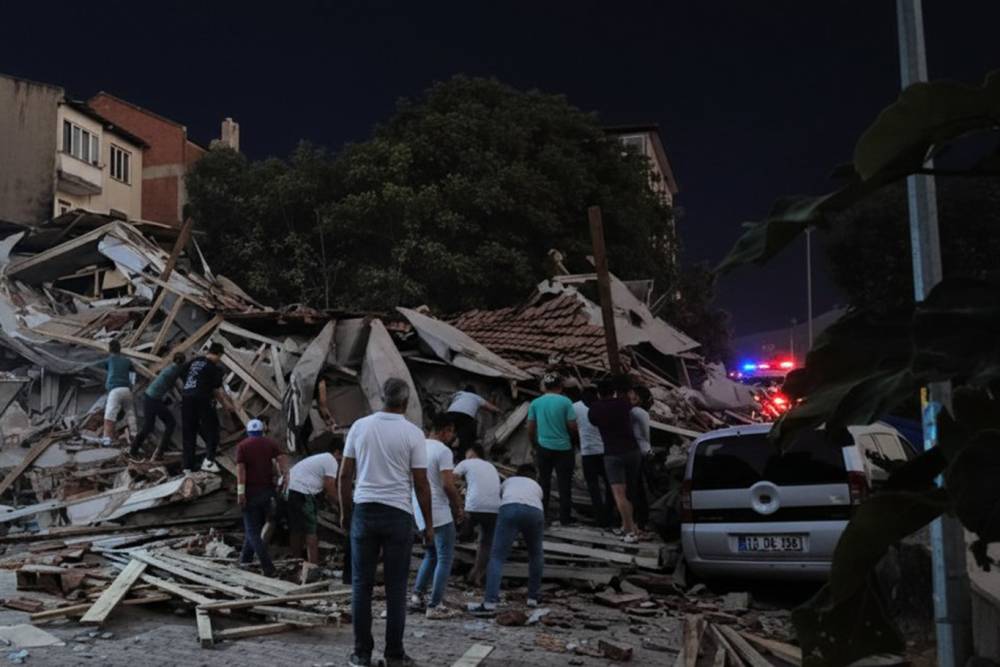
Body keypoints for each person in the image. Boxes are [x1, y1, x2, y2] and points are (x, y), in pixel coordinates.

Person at [339, 378, 432, 667]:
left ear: (381, 398)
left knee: (361, 586)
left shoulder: (360, 426)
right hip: (398, 515)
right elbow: (421, 484)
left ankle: (361, 654)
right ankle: (394, 655)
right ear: (405, 402)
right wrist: (428, 524)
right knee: (395, 589)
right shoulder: (413, 434)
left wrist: (345, 512)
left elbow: (344, 475)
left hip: (364, 511)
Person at [467, 463, 545, 614]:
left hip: (509, 508)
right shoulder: (536, 486)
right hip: (535, 511)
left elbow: (501, 498)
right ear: (534, 477)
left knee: (497, 557)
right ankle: (533, 598)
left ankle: (490, 603)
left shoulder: (508, 482)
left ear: (517, 473)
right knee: (536, 555)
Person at [410, 414, 464, 619]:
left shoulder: (418, 447)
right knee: (445, 557)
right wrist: (459, 506)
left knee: (431, 554)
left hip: (419, 508)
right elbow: (448, 485)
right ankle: (435, 604)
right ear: (445, 430)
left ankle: (417, 595)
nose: (452, 437)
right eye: (451, 432)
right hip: (439, 509)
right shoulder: (443, 451)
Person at [588, 377, 642, 543]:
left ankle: (629, 530)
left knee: (619, 494)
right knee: (631, 491)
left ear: (598, 393)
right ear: (613, 392)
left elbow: (594, 422)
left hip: (612, 453)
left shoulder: (595, 408)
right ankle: (631, 527)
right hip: (633, 451)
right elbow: (634, 406)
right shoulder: (623, 403)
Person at [236, 419, 288, 577]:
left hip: (251, 493)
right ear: (262, 430)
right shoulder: (270, 443)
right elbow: (281, 458)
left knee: (252, 531)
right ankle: (245, 560)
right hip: (268, 492)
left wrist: (240, 492)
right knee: (255, 529)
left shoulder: (242, 446)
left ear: (248, 431)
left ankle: (268, 567)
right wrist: (284, 475)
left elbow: (241, 471)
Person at [526, 374, 578, 525]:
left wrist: (534, 444)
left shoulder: (535, 403)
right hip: (564, 448)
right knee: (565, 484)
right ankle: (565, 518)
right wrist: (574, 440)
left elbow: (530, 428)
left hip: (543, 447)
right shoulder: (566, 402)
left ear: (545, 387)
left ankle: (542, 515)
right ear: (560, 387)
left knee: (543, 482)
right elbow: (573, 426)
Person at [180, 342, 235, 474]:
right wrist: (227, 404)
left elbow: (182, 372)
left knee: (189, 433)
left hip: (186, 398)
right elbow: (217, 389)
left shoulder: (195, 361)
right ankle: (209, 461)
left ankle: (187, 467)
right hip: (202, 398)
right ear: (219, 355)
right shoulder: (215, 368)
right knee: (213, 429)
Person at [454, 444, 501, 586]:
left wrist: (457, 501)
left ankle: (445, 568)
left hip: (474, 508)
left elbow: (449, 479)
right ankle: (477, 576)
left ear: (473, 455)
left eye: (468, 456)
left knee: (458, 536)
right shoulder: (491, 467)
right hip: (494, 509)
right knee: (486, 543)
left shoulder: (467, 463)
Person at [287, 444, 341, 567]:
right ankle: (313, 565)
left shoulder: (321, 459)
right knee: (311, 530)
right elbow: (330, 487)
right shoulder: (331, 460)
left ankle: (296, 562)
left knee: (296, 529)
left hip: (291, 489)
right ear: (337, 452)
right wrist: (340, 505)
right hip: (302, 492)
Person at [131, 352, 185, 460]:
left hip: (151, 397)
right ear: (182, 362)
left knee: (150, 425)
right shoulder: (175, 370)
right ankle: (158, 451)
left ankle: (135, 450)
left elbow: (171, 385)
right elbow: (179, 384)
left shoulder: (170, 368)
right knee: (167, 423)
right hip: (153, 399)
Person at [573, 386, 613, 527]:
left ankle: (599, 518)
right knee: (610, 485)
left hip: (587, 452)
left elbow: (571, 426)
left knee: (593, 487)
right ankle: (610, 516)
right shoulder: (603, 407)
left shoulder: (575, 407)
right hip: (604, 451)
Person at [444, 385, 499, 458]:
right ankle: (461, 457)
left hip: (451, 413)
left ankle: (445, 449)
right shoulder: (476, 397)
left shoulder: (459, 393)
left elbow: (448, 399)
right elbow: (490, 407)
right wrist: (499, 410)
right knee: (465, 438)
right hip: (466, 416)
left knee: (448, 433)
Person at [102, 340, 135, 447]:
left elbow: (106, 367)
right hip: (127, 390)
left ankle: (107, 440)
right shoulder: (127, 360)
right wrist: (132, 385)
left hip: (115, 390)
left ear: (110, 349)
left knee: (109, 416)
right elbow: (133, 372)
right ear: (120, 349)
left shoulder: (109, 360)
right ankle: (135, 435)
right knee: (130, 413)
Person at [629, 385, 653, 530]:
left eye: (633, 395)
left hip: (640, 451)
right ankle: (643, 518)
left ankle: (641, 519)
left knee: (637, 487)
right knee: (641, 487)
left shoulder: (636, 411)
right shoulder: (642, 412)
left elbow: (644, 434)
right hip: (644, 450)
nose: (630, 397)